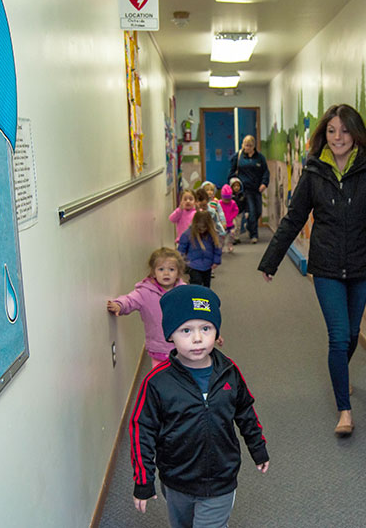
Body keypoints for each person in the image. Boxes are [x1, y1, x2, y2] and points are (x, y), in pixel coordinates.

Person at [258, 104, 366, 436]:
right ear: (324, 134)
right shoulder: (313, 171)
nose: (338, 137)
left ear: (356, 134)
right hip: (325, 265)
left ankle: (341, 377)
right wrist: (272, 260)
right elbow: (294, 218)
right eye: (332, 131)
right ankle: (345, 410)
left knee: (352, 335)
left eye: (345, 131)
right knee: (338, 337)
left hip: (363, 262)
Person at [129, 285, 269, 527]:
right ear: (170, 335)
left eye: (206, 328)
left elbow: (245, 412)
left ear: (217, 332)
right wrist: (143, 480)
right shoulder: (157, 382)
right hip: (177, 479)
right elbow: (142, 430)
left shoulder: (229, 372)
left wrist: (257, 447)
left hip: (221, 478)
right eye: (186, 330)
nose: (197, 338)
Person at [106, 247, 186, 369]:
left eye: (171, 269)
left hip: (182, 347)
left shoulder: (184, 291)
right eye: (161, 269)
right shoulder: (145, 292)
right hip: (158, 348)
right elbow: (130, 300)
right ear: (153, 272)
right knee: (159, 379)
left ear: (178, 273)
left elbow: (196, 314)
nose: (166, 273)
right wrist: (119, 305)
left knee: (183, 378)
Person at [228, 135, 269, 243]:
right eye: (246, 145)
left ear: (254, 146)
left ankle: (249, 226)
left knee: (258, 211)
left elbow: (265, 171)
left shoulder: (260, 157)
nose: (248, 148)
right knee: (251, 211)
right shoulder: (238, 156)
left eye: (250, 145)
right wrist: (233, 185)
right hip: (244, 190)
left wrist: (264, 183)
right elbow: (232, 172)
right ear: (242, 145)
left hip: (256, 189)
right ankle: (254, 235)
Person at [178, 210, 222, 288]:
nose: (202, 229)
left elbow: (217, 248)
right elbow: (181, 249)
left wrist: (216, 261)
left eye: (204, 227)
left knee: (206, 285)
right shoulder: (187, 234)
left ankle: (205, 299)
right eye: (199, 227)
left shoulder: (212, 235)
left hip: (207, 265)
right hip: (193, 265)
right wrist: (180, 263)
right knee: (196, 283)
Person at [218, 184, 239, 253]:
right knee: (221, 237)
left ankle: (230, 245)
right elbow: (217, 211)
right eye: (225, 199)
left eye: (228, 199)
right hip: (223, 224)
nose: (227, 201)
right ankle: (221, 246)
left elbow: (236, 210)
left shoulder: (233, 203)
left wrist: (232, 216)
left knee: (231, 235)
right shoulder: (219, 203)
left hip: (230, 223)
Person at [228, 177, 247, 244]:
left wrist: (246, 211)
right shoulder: (230, 196)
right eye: (234, 186)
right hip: (232, 213)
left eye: (238, 186)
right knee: (234, 225)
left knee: (239, 225)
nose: (236, 187)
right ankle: (232, 238)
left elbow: (245, 204)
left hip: (240, 212)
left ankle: (237, 237)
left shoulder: (242, 195)